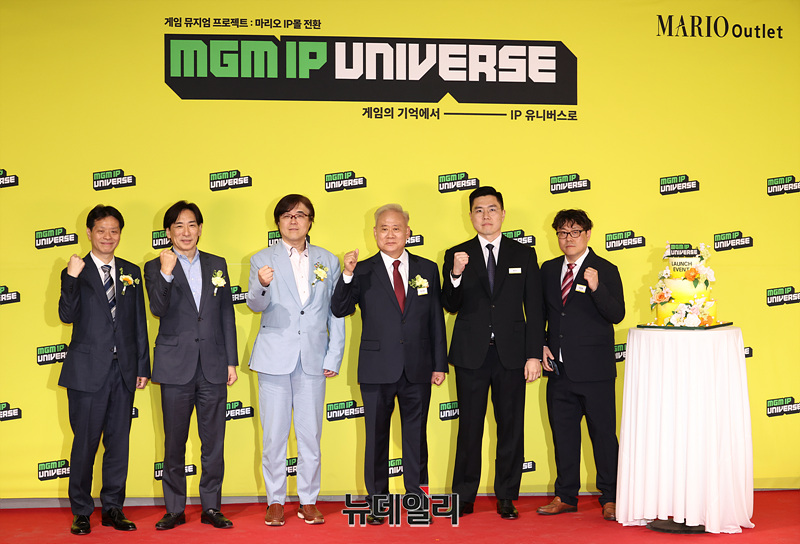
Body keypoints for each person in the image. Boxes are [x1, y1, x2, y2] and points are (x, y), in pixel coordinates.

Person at [331, 204, 447, 525]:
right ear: (374, 233)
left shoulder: (427, 268)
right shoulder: (362, 270)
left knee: (416, 438)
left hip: (418, 367)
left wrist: (439, 363)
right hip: (376, 368)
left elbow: (435, 320)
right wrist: (347, 274)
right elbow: (340, 308)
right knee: (376, 440)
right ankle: (377, 504)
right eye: (384, 228)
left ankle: (417, 500)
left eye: (397, 228)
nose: (390, 234)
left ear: (408, 232)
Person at [442, 186, 543, 520]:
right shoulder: (457, 254)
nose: (485, 216)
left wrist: (533, 354)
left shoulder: (523, 254)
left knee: (511, 427)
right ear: (470, 215)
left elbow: (535, 308)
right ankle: (464, 496)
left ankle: (507, 496)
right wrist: (455, 274)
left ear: (502, 214)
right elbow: (449, 304)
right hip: (471, 355)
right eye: (479, 210)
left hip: (511, 355)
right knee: (469, 428)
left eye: (492, 209)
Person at [246, 194, 345, 527]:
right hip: (274, 358)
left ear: (310, 221)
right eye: (287, 215)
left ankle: (308, 500)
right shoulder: (262, 259)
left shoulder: (327, 260)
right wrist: (261, 284)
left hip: (313, 359)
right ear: (277, 222)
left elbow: (336, 311)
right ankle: (275, 501)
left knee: (310, 435)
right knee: (274, 436)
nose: (293, 220)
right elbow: (256, 305)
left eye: (300, 215)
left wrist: (334, 354)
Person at [144, 200, 238, 530]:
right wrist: (167, 272)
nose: (186, 232)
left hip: (213, 365)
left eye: (192, 224)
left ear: (200, 228)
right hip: (175, 366)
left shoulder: (217, 263)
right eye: (179, 226)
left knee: (214, 443)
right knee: (174, 443)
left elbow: (226, 313)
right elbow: (157, 308)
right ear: (168, 232)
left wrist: (231, 360)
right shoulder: (155, 266)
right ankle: (174, 508)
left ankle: (212, 507)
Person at [58, 205, 150, 535]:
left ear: (120, 233)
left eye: (114, 231)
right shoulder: (76, 270)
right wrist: (71, 277)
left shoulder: (130, 271)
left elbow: (139, 322)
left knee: (118, 443)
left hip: (123, 371)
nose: (108, 237)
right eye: (101, 230)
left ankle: (113, 507)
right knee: (85, 444)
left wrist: (142, 366)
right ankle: (81, 511)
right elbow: (66, 315)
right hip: (86, 373)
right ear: (89, 233)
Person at [537, 209, 624, 521]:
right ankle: (565, 496)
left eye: (574, 232)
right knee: (563, 437)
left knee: (603, 436)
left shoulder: (605, 269)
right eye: (562, 233)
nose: (568, 238)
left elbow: (616, 314)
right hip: (559, 370)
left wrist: (597, 287)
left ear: (587, 234)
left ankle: (611, 497)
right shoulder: (548, 270)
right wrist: (541, 345)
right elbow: (541, 314)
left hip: (595, 371)